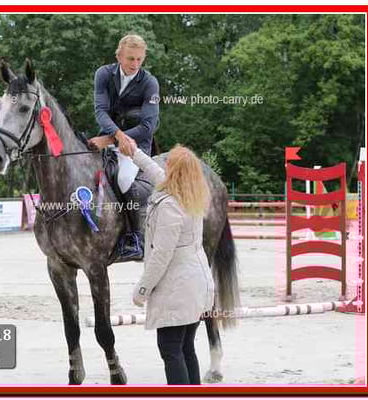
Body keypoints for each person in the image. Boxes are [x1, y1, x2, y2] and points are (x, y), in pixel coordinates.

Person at [122, 138, 215, 385]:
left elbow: (161, 256)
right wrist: (134, 151)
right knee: (185, 347)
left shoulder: (170, 206)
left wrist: (142, 289)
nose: (164, 165)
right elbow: (154, 170)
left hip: (178, 287)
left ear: (174, 171)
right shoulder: (190, 193)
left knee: (170, 349)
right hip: (196, 283)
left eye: (169, 163)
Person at [89, 33, 160, 260]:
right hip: (108, 138)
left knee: (124, 179)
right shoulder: (103, 74)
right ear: (119, 56)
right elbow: (101, 111)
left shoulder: (149, 83)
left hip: (135, 146)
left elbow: (148, 126)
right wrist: (114, 137)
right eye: (130, 58)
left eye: (139, 59)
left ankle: (134, 237)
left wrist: (113, 140)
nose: (135, 64)